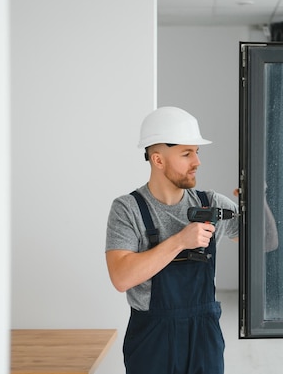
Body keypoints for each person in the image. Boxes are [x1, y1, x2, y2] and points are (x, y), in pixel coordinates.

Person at [105, 106, 238, 374]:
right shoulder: (128, 209)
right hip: (152, 342)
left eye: (197, 152)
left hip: (204, 338)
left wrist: (258, 197)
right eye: (186, 153)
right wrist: (180, 241)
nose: (197, 162)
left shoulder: (212, 204)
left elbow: (266, 243)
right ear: (158, 160)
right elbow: (121, 277)